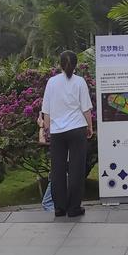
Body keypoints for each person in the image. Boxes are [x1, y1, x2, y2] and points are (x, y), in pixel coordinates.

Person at [42, 51, 93, 218]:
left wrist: (47, 130)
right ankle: (74, 208)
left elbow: (46, 111)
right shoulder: (80, 82)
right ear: (76, 65)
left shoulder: (51, 82)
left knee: (57, 169)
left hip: (57, 132)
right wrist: (90, 127)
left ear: (59, 64)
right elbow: (85, 108)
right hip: (77, 129)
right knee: (76, 169)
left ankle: (59, 207)